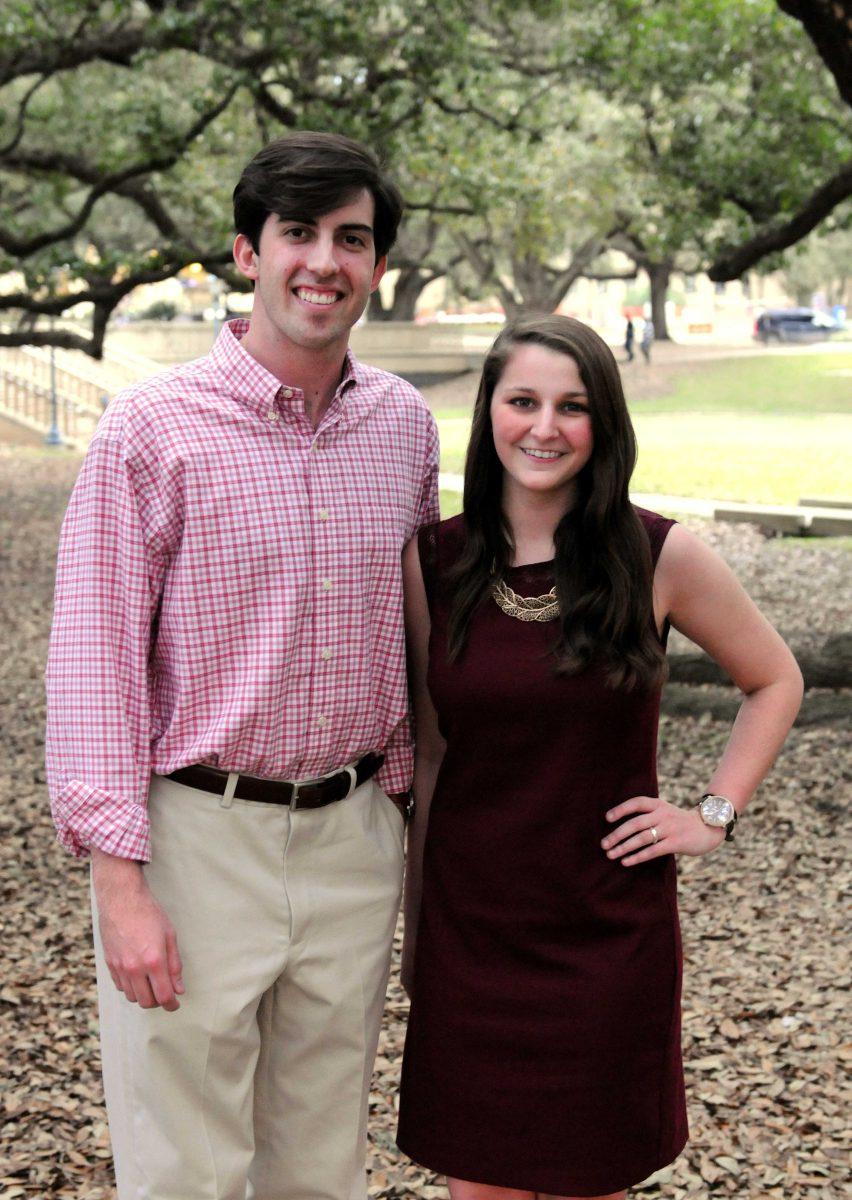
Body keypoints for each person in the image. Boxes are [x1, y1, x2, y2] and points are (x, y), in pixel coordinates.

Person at [45, 131, 439, 1200]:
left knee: (321, 1164)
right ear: (245, 254)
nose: (326, 261)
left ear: (377, 264)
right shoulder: (149, 431)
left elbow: (414, 640)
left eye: (351, 238)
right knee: (185, 1167)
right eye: (298, 234)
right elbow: (95, 664)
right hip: (194, 840)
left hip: (352, 837)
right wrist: (118, 885)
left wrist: (404, 817)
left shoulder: (404, 429)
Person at [395, 314, 802, 1200]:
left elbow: (775, 681)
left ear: (604, 422)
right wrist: (417, 927)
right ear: (489, 413)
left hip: (606, 941)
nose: (544, 427)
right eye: (523, 401)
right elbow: (432, 758)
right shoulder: (436, 560)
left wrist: (711, 817)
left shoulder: (658, 555)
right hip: (474, 937)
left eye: (572, 406)